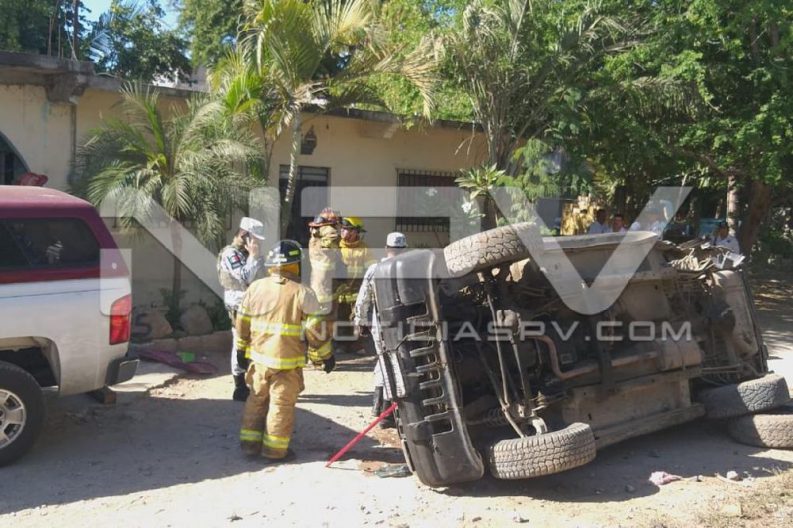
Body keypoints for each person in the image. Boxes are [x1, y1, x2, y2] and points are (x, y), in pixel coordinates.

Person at [236, 240, 335, 462]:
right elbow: (315, 330)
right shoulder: (303, 292)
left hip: (259, 361)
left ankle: (250, 445)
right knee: (280, 406)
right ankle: (274, 451)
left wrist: (240, 350)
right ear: (295, 264)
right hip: (286, 364)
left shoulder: (256, 288)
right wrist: (326, 356)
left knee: (256, 400)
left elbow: (242, 322)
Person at [354, 232, 408, 429]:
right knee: (394, 364)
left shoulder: (375, 269)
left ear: (386, 249)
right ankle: (387, 415)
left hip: (381, 327)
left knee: (384, 362)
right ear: (405, 249)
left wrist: (361, 321)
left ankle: (379, 409)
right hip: (404, 326)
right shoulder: (409, 269)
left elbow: (363, 299)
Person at [217, 217, 267, 401]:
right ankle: (239, 385)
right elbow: (244, 277)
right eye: (255, 239)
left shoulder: (248, 253)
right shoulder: (231, 254)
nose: (257, 243)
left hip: (254, 304)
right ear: (245, 235)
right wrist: (253, 256)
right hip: (238, 305)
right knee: (240, 342)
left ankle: (257, 382)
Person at [337, 216, 375, 354]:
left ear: (355, 232)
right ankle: (341, 346)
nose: (342, 231)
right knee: (341, 320)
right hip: (339, 293)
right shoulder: (337, 247)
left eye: (346, 229)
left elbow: (372, 268)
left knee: (356, 320)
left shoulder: (364, 249)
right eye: (342, 229)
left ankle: (357, 346)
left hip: (356, 292)